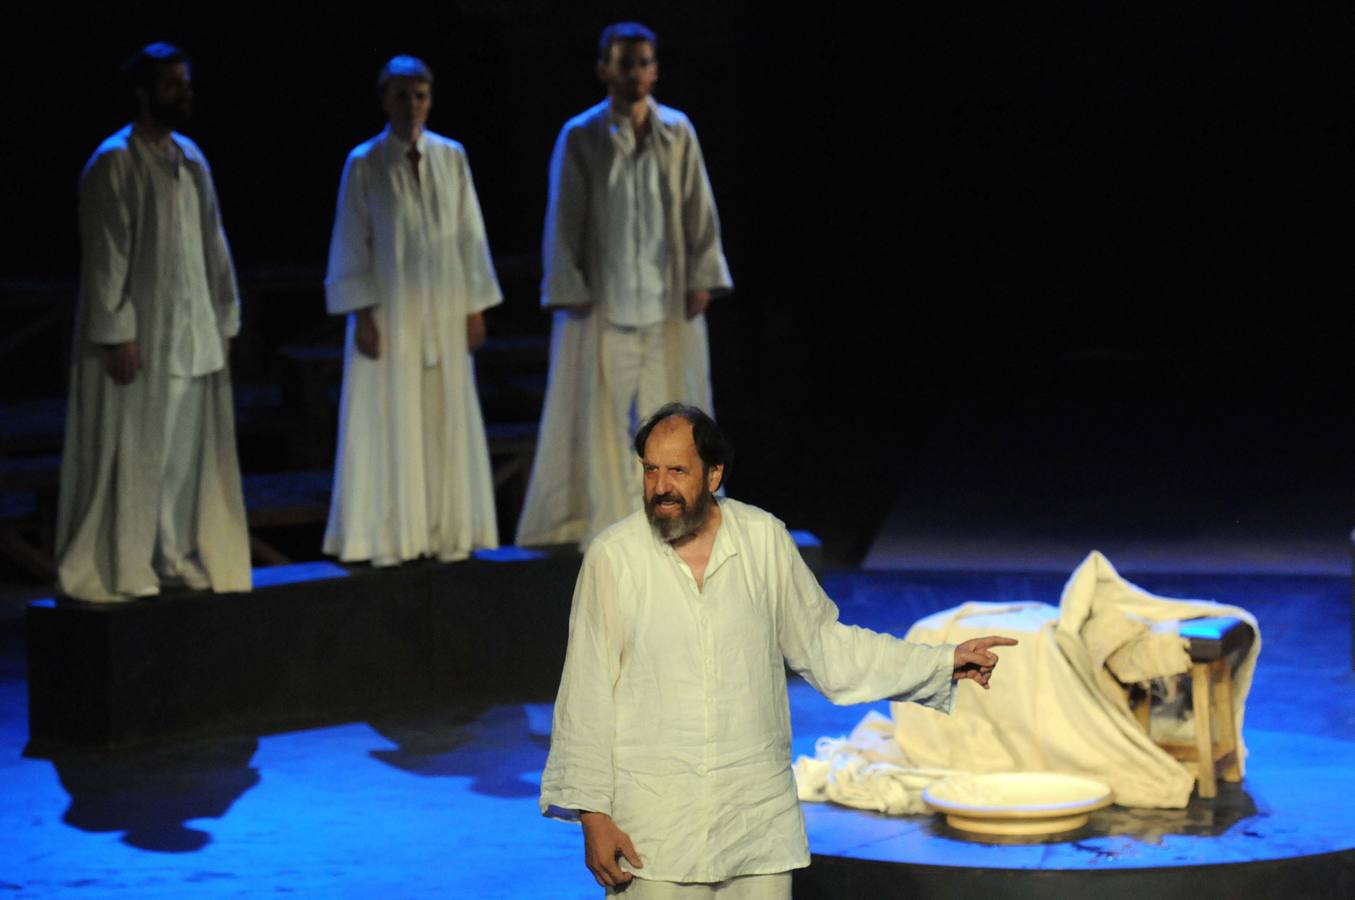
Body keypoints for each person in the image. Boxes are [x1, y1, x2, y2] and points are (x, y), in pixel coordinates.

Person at [539, 404, 1017, 897]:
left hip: (754, 822)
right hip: (655, 828)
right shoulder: (615, 557)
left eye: (678, 470)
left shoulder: (763, 539)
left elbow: (826, 646)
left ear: (714, 474)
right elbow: (586, 690)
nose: (661, 487)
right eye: (651, 469)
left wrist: (940, 661)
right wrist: (593, 815)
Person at [515, 22, 733, 549]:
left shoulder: (677, 130)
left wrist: (703, 276)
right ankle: (609, 527)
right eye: (624, 62)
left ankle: (677, 522)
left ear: (654, 70)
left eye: (642, 63)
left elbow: (697, 208)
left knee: (672, 419)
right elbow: (564, 217)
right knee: (604, 421)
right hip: (606, 306)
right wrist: (570, 284)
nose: (634, 72)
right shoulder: (581, 134)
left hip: (662, 305)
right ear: (604, 69)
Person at [55, 42, 251, 602]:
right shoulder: (115, 161)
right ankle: (129, 561)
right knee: (140, 454)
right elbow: (108, 255)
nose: (183, 93)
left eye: (185, 84)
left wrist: (226, 314)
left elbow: (215, 243)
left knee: (181, 460)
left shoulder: (190, 158)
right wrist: (117, 332)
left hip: (192, 334)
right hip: (145, 339)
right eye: (172, 85)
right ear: (144, 92)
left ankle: (172, 553)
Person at [323, 55, 503, 566]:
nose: (412, 105)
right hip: (392, 316)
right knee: (391, 419)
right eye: (402, 95)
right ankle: (390, 536)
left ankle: (447, 530)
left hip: (444, 312)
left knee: (443, 414)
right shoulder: (364, 162)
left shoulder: (452, 156)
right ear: (385, 99)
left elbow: (470, 234)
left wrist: (475, 306)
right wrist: (361, 311)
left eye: (420, 95)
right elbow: (350, 241)